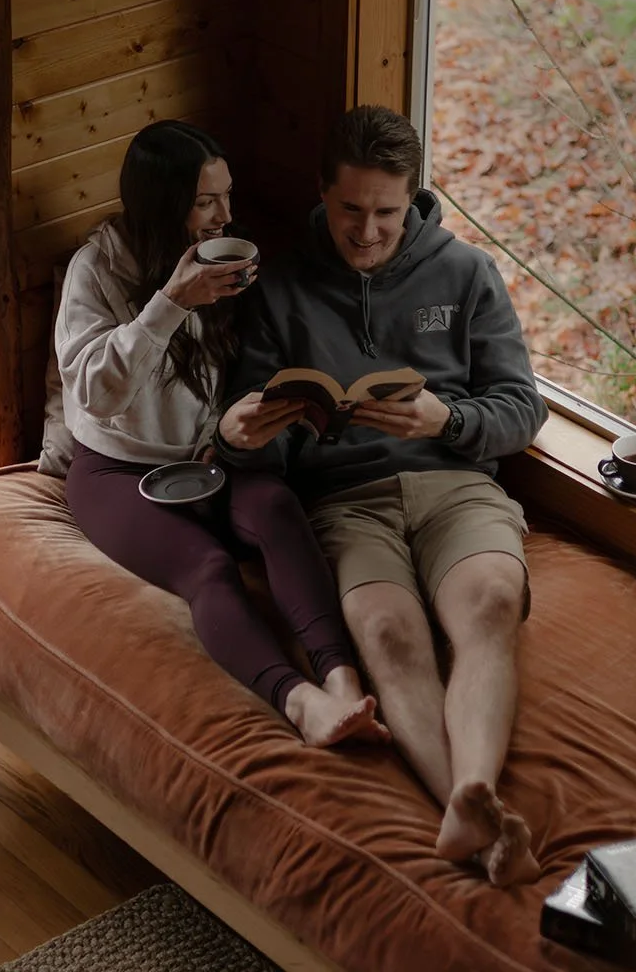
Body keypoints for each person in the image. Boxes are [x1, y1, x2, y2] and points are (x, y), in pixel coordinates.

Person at [216, 105, 551, 886]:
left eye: (388, 213)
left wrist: (449, 417)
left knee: (491, 606)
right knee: (389, 636)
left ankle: (472, 799)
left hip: (458, 486)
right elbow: (249, 427)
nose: (368, 231)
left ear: (415, 198)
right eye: (350, 211)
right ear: (323, 195)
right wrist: (253, 432)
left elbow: (522, 410)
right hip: (346, 501)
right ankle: (466, 804)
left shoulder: (466, 274)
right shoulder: (283, 288)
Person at [55, 119, 387, 748]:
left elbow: (226, 371)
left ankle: (341, 682)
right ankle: (301, 703)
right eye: (206, 201)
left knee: (279, 508)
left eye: (226, 196)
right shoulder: (95, 270)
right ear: (163, 202)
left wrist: (233, 423)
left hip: (206, 458)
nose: (224, 215)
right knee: (208, 567)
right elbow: (96, 393)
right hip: (115, 471)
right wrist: (171, 303)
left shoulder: (225, 257)